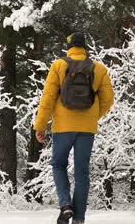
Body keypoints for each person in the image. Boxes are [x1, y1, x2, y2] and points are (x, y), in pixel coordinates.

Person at [33, 32, 114, 224]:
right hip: (86, 129)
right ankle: (79, 218)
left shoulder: (59, 65)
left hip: (62, 127)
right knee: (82, 172)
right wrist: (93, 117)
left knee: (58, 165)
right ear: (84, 47)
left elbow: (47, 99)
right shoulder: (99, 69)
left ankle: (65, 205)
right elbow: (108, 99)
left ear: (69, 47)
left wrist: (40, 126)